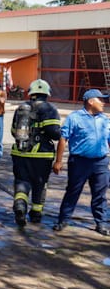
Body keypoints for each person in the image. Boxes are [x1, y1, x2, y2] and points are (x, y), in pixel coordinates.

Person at [51, 89, 110, 236]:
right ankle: (63, 220)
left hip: (100, 162)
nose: (103, 103)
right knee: (73, 191)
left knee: (100, 194)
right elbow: (63, 139)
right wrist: (58, 161)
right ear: (90, 101)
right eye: (100, 100)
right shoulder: (74, 118)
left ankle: (101, 223)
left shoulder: (105, 120)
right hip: (79, 162)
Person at [10, 79, 61, 227]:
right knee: (39, 184)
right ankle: (36, 214)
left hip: (20, 153)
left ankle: (20, 205)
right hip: (41, 155)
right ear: (47, 93)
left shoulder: (21, 108)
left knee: (22, 181)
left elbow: (14, 131)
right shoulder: (50, 109)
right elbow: (54, 133)